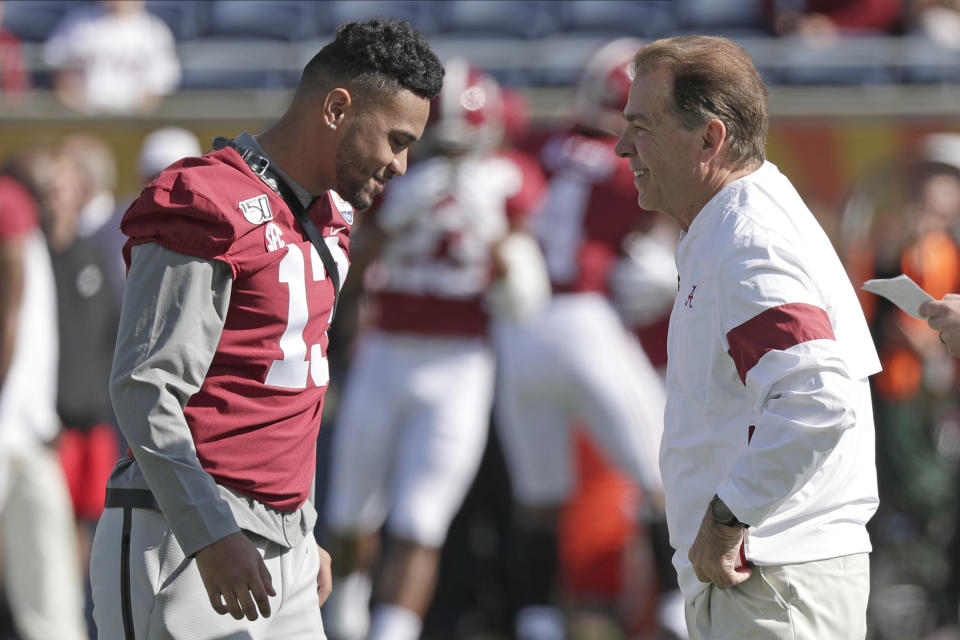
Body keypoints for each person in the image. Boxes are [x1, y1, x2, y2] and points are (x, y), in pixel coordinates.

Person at [88, 17, 443, 640]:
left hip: (284, 548)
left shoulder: (327, 215)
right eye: (395, 139)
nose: (402, 164)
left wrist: (297, 531)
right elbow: (146, 389)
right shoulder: (206, 199)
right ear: (337, 107)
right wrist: (213, 534)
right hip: (186, 535)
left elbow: (281, 400)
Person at [614, 35, 882, 638]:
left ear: (710, 138)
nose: (621, 145)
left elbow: (816, 396)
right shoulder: (735, 224)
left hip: (774, 577)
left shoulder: (747, 240)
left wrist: (729, 515)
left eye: (642, 126)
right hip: (775, 576)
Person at [321, 58, 547, 640]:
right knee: (349, 510)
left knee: (423, 516)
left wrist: (494, 235)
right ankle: (345, 615)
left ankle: (391, 632)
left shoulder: (509, 181)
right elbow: (347, 269)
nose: (449, 156)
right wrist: (394, 220)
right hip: (386, 351)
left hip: (460, 361)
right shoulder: (393, 173)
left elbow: (523, 299)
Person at [491, 38, 674, 640]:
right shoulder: (633, 164)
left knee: (541, 496)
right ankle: (676, 612)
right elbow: (668, 228)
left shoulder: (532, 145)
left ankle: (537, 619)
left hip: (518, 330)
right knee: (662, 479)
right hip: (586, 321)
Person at [0, 174, 88, 640]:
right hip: (18, 431)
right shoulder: (9, 203)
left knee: (52, 597)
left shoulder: (12, 202)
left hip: (28, 433)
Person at [42, 0, 180, 114]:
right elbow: (59, 74)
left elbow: (158, 89)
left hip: (134, 122)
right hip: (82, 118)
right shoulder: (77, 23)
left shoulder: (155, 31)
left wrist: (131, 119)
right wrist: (82, 113)